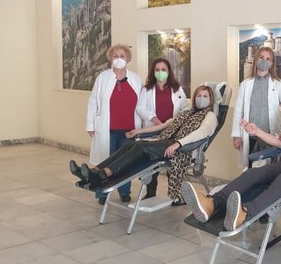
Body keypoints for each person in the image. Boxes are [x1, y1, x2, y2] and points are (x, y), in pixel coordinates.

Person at [183, 81, 281, 231]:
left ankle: (245, 213)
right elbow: (280, 141)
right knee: (252, 173)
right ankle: (212, 203)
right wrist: (257, 131)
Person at [71, 85, 217, 202]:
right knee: (130, 145)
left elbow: (202, 132)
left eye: (205, 96)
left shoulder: (210, 116)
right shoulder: (185, 113)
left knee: (141, 147)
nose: (201, 99)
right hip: (166, 142)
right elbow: (162, 126)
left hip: (182, 149)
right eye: (199, 95)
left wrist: (178, 144)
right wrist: (137, 132)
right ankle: (94, 172)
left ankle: (104, 174)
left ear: (211, 100)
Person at [86, 44, 143, 204]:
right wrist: (90, 124)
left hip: (129, 131)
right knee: (105, 162)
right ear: (110, 59)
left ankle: (124, 192)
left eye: (122, 56)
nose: (119, 59)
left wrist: (144, 128)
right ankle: (102, 193)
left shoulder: (136, 79)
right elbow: (93, 102)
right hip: (107, 129)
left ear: (128, 59)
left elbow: (142, 105)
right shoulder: (103, 78)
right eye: (115, 56)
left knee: (125, 163)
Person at [232, 46, 281, 169]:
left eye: (268, 59)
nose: (264, 61)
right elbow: (238, 111)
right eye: (261, 57)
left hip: (270, 136)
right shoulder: (245, 84)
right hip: (250, 137)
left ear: (272, 63)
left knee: (269, 170)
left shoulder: (277, 83)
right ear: (256, 59)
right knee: (250, 170)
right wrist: (236, 135)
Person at [135, 58, 189, 200]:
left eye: (163, 70)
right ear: (153, 72)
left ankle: (174, 194)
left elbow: (184, 109)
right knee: (151, 160)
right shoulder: (147, 89)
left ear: (169, 71)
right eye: (157, 70)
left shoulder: (177, 89)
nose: (160, 72)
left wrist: (176, 122)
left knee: (172, 161)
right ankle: (151, 191)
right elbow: (140, 108)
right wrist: (152, 118)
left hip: (172, 131)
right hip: (153, 129)